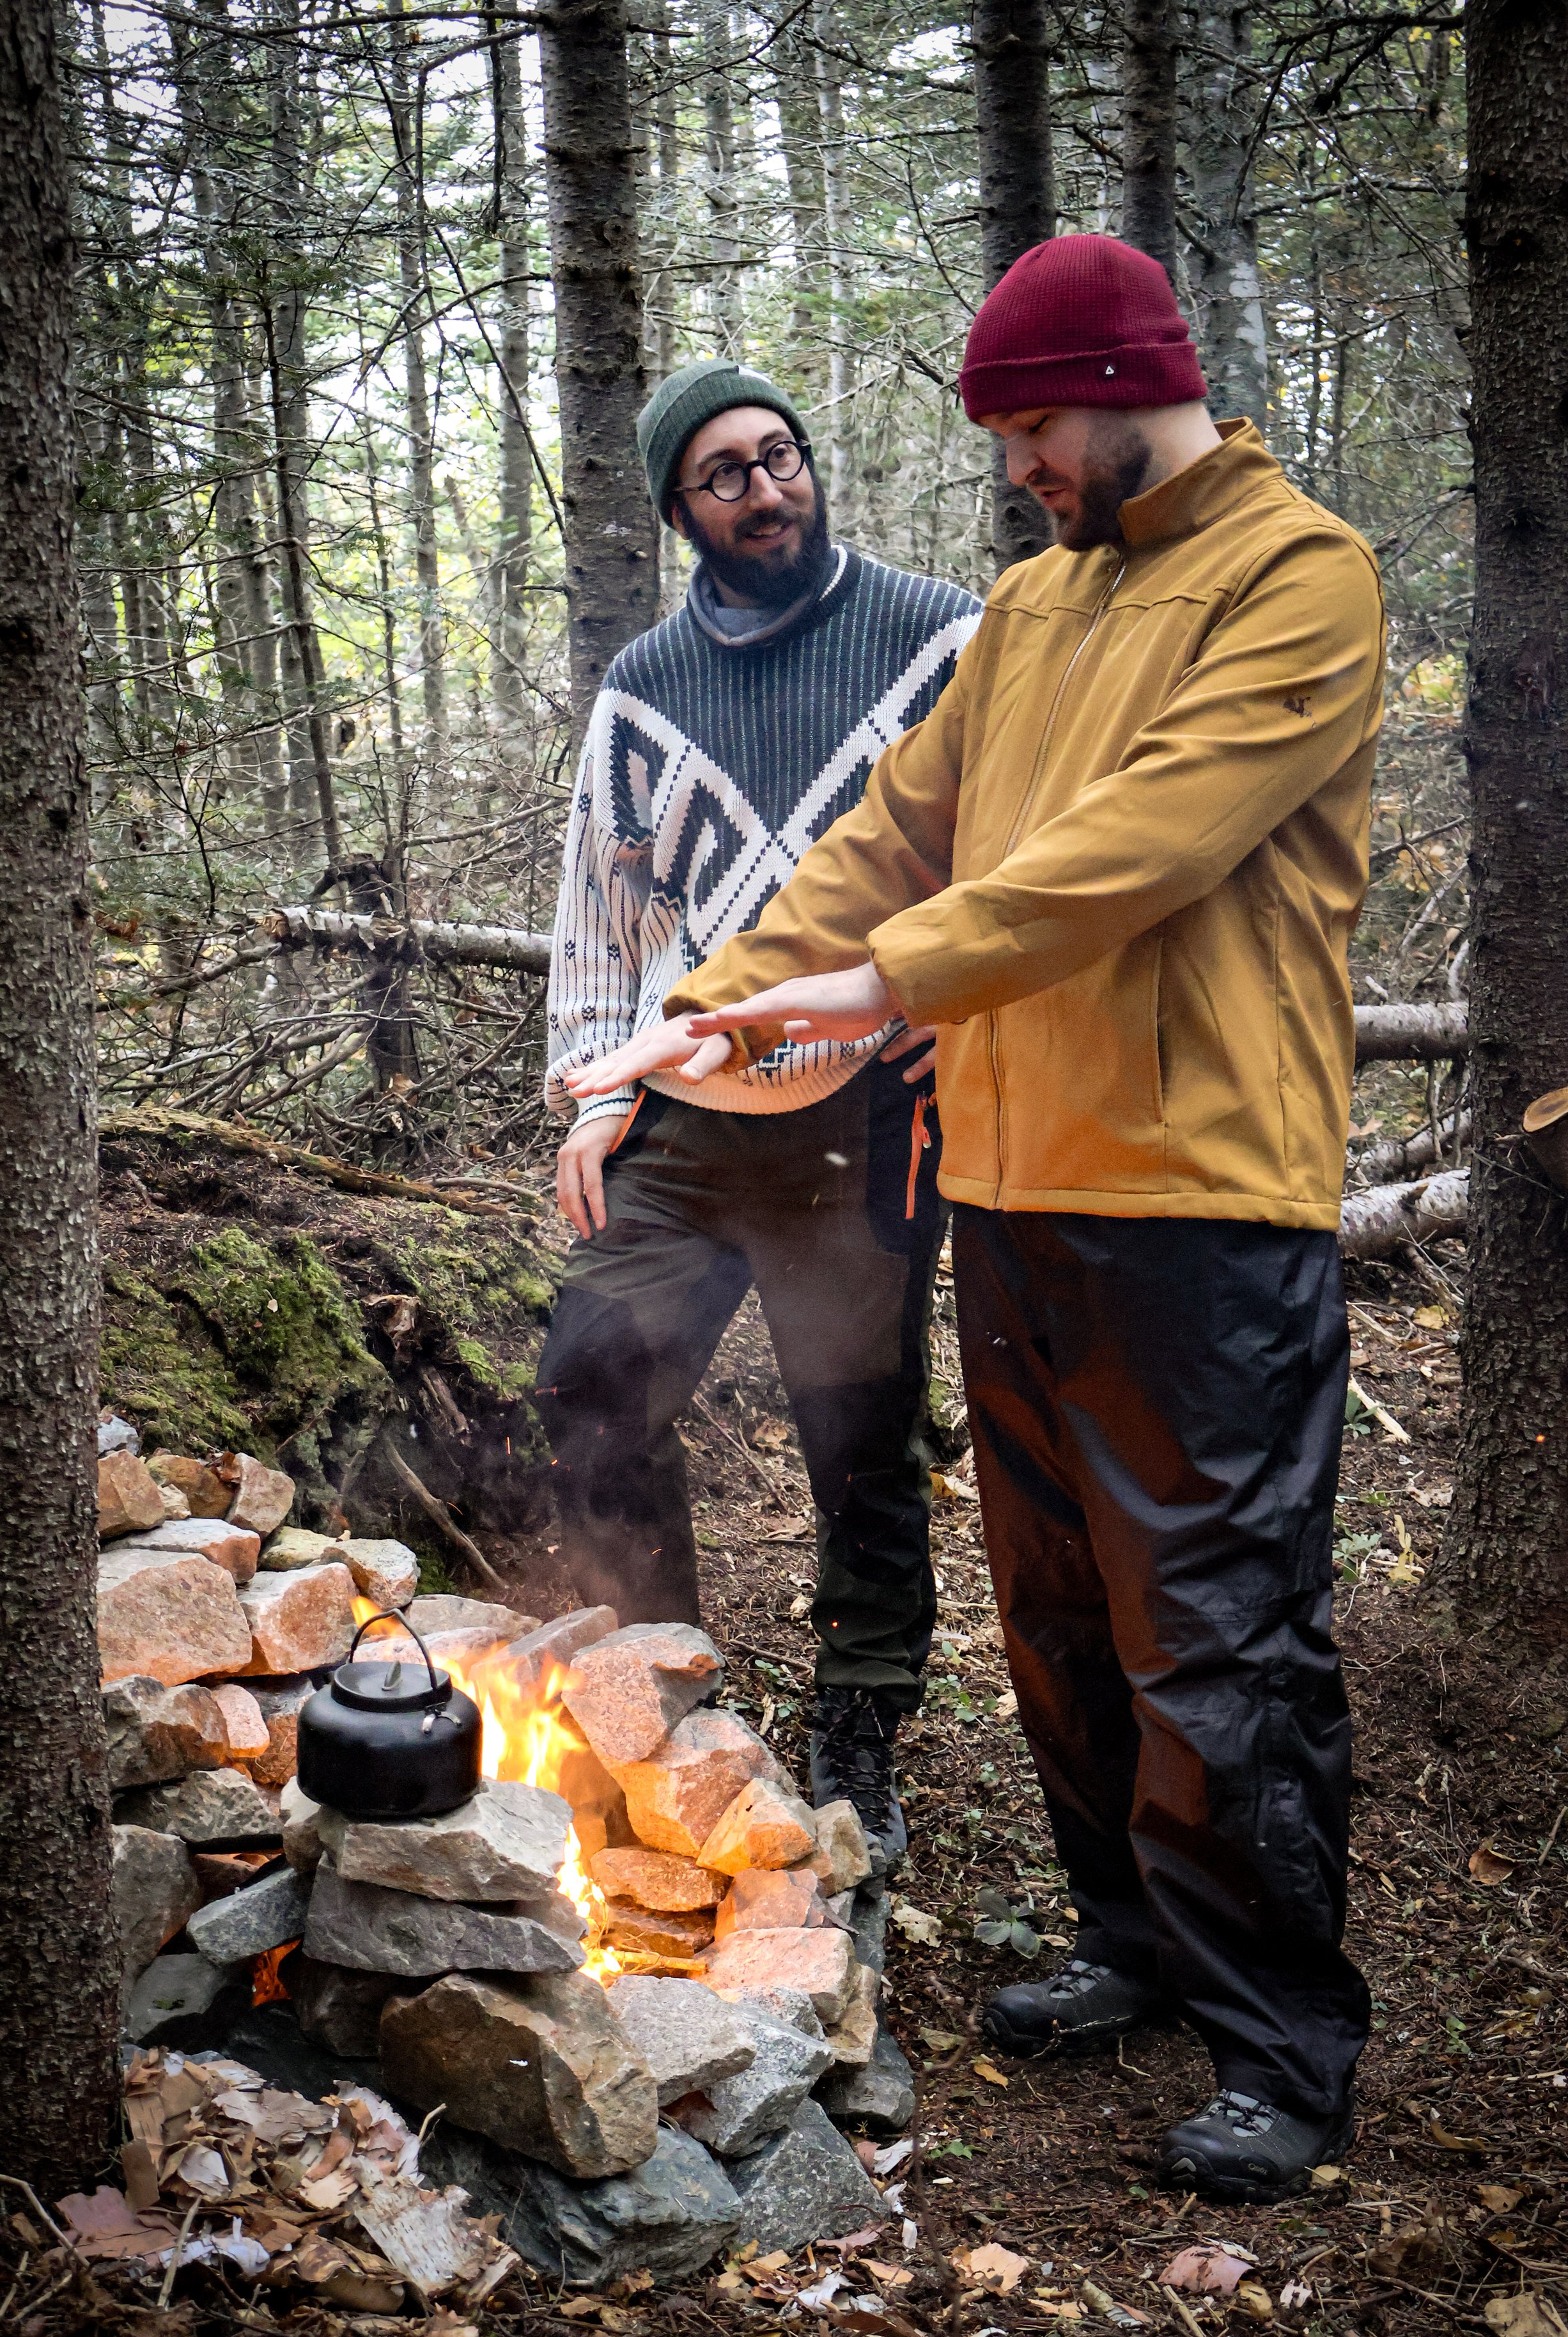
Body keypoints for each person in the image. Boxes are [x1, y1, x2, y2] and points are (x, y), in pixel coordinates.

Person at [564, 239, 1386, 2201]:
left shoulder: (1298, 578)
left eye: (1029, 430)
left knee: (1215, 1622)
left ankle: (1276, 2036)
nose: (1014, 468)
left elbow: (1136, 845)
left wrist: (886, 982)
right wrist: (702, 1010)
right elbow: (886, 834)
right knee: (1058, 1607)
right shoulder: (1031, 607)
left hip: (1201, 1195)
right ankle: (1130, 1938)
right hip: (1010, 1184)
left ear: (1118, 389)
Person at [538, 357, 981, 1872]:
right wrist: (591, 1091)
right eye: (723, 473)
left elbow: (1012, 850)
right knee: (590, 1382)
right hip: (680, 1118)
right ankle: (660, 1692)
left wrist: (960, 1010)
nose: (765, 488)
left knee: (858, 1431)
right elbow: (598, 916)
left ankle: (860, 1721)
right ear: (680, 511)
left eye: (779, 454)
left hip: (866, 1109)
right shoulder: (641, 689)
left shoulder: (938, 637)